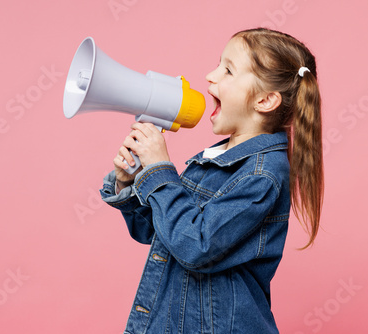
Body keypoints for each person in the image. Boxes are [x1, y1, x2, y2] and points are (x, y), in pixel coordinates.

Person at [100, 27, 324, 334]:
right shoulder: (213, 158)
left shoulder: (262, 176)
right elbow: (160, 233)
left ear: (265, 100)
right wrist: (131, 182)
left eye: (228, 70)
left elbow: (196, 246)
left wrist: (159, 171)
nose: (210, 75)